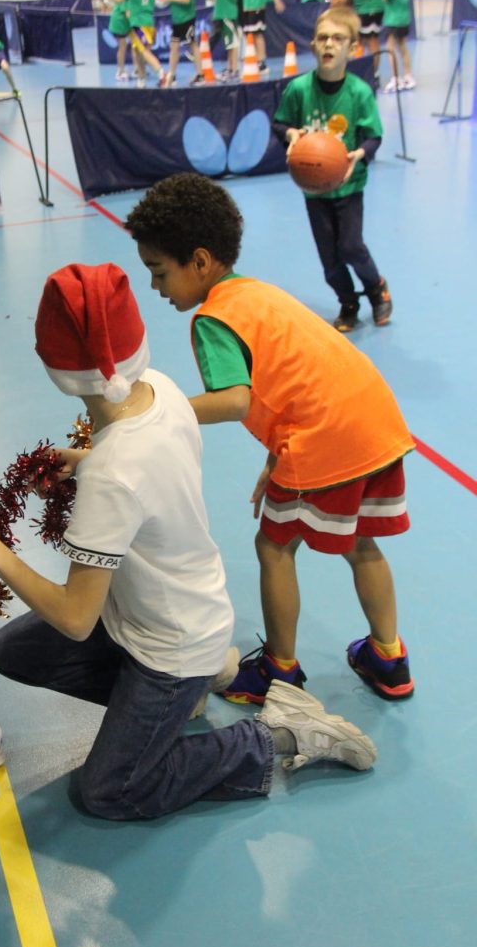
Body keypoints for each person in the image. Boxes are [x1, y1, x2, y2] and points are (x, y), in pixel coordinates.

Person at [0, 262, 378, 821]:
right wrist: (88, 460)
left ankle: (277, 734)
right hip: (167, 613)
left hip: (169, 648)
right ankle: (191, 691)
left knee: (108, 791)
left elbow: (75, 617)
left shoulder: (114, 474)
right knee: (14, 651)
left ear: (56, 367)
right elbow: (143, 465)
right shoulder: (161, 390)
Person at [127, 173, 414, 707]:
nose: (155, 287)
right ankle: (388, 657)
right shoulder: (257, 292)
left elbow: (235, 399)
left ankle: (279, 670)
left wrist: (157, 410)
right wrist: (274, 457)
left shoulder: (213, 319)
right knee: (358, 543)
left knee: (274, 545)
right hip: (375, 422)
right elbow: (299, 379)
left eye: (159, 271)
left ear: (199, 261)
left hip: (325, 440)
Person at [273, 6, 391, 331]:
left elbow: (374, 136)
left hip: (349, 186)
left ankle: (376, 288)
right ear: (313, 45)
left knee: (351, 247)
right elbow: (279, 123)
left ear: (352, 49)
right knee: (330, 260)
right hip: (314, 189)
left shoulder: (359, 92)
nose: (329, 44)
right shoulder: (299, 90)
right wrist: (291, 134)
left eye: (338, 39)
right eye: (323, 37)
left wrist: (359, 154)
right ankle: (348, 302)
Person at [95, 0, 167, 89]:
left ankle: (162, 74)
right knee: (137, 51)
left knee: (144, 51)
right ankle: (141, 81)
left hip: (139, 23)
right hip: (149, 22)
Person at [383, 0, 424, 92]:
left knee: (390, 48)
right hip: (404, 18)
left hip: (394, 19)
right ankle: (408, 76)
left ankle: (395, 79)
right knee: (402, 47)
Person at [162, 0, 201, 87]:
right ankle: (171, 76)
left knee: (192, 44)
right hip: (177, 19)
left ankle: (200, 75)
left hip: (186, 18)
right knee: (174, 46)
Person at [108, 0, 133, 80]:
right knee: (122, 46)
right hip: (118, 24)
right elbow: (128, 14)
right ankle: (120, 71)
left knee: (135, 45)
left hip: (125, 24)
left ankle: (137, 69)